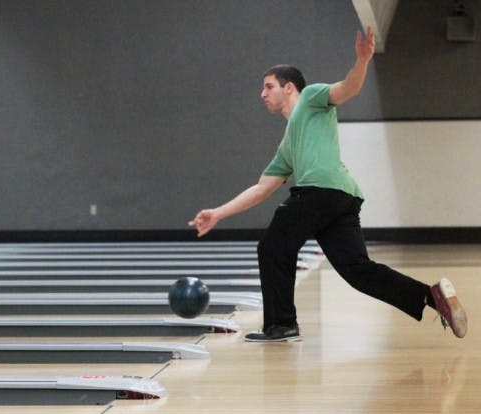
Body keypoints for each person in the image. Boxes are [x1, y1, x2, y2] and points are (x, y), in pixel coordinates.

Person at [188, 27, 468, 342]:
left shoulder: (310, 98)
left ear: (289, 87)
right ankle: (432, 297)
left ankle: (281, 324)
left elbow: (347, 88)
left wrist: (362, 62)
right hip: (341, 198)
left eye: (268, 86)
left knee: (272, 247)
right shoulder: (289, 143)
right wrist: (218, 213)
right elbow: (260, 189)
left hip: (320, 193)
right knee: (357, 271)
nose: (262, 94)